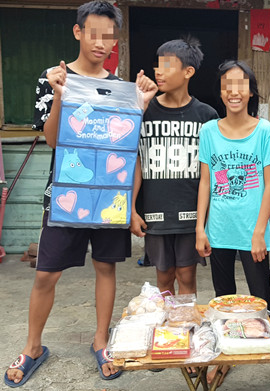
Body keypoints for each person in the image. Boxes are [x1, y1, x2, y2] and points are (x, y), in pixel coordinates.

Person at [4, 1, 157, 387]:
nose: (101, 43)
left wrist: (141, 104)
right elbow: (54, 139)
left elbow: (127, 148)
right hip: (65, 196)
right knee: (46, 274)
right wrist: (60, 95)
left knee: (106, 267)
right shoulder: (54, 78)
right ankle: (33, 346)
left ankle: (101, 340)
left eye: (109, 36)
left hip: (109, 197)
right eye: (93, 33)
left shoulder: (122, 88)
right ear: (78, 32)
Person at [196, 60, 270, 387]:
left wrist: (260, 232)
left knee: (262, 297)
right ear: (221, 91)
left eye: (241, 84)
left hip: (254, 233)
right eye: (227, 85)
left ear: (250, 90)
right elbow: (206, 183)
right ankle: (228, 355)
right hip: (219, 228)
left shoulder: (265, 132)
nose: (234, 91)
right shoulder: (209, 131)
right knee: (224, 297)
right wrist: (200, 228)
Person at [130, 37, 218, 298]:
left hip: (191, 217)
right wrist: (132, 209)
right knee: (164, 278)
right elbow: (132, 160)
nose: (158, 71)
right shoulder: (144, 111)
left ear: (188, 72)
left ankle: (187, 332)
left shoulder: (207, 116)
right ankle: (169, 336)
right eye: (157, 65)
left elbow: (210, 172)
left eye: (167, 65)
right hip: (155, 215)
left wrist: (208, 219)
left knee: (187, 277)